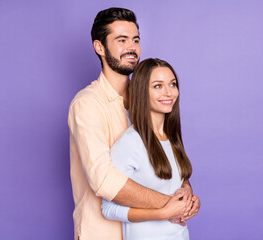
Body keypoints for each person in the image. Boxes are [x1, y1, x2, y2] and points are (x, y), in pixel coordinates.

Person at [68, 8, 200, 240]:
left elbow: (169, 158)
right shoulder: (87, 104)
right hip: (103, 233)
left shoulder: (150, 98)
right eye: (121, 40)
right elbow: (104, 181)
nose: (132, 47)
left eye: (135, 40)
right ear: (99, 47)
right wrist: (171, 204)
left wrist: (185, 193)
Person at [101, 58, 196, 240]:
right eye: (158, 86)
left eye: (172, 84)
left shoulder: (172, 137)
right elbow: (108, 208)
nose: (168, 92)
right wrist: (162, 213)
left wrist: (189, 199)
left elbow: (177, 182)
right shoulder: (131, 142)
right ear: (142, 91)